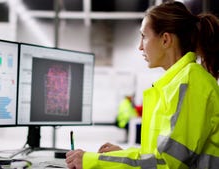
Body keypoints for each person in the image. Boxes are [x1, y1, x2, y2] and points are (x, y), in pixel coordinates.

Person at [66, 1, 219, 168]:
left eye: (144, 36)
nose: (140, 47)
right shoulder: (177, 83)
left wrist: (92, 161)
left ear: (166, 40)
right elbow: (158, 156)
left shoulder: (191, 82)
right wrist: (121, 154)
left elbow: (166, 164)